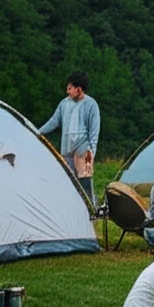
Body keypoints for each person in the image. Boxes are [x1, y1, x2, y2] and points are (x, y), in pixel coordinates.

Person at [38, 71, 101, 209]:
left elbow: (94, 132)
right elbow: (54, 121)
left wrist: (91, 153)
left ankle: (89, 209)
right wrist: (38, 132)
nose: (68, 91)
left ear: (79, 89)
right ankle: (69, 209)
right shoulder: (64, 104)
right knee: (68, 180)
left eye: (70, 88)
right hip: (67, 147)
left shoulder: (91, 105)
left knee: (84, 178)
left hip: (83, 148)